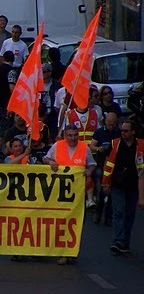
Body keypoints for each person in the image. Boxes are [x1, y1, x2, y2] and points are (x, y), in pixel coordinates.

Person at [43, 124, 96, 264]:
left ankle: (70, 250)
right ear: (65, 136)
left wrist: (89, 171)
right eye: (70, 135)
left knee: (75, 223)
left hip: (78, 195)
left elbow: (92, 164)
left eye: (75, 135)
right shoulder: (57, 146)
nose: (73, 138)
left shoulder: (84, 148)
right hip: (59, 194)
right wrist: (51, 162)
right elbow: (45, 158)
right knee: (61, 223)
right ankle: (64, 252)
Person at [101, 120, 143, 255]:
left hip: (133, 186)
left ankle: (125, 243)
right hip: (117, 184)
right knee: (118, 212)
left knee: (130, 215)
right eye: (122, 131)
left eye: (126, 131)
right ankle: (117, 241)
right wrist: (105, 182)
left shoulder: (141, 145)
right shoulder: (115, 144)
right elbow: (108, 165)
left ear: (133, 132)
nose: (123, 133)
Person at [89, 112, 119, 224]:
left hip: (114, 166)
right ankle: (98, 214)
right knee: (100, 190)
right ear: (105, 121)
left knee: (112, 192)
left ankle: (109, 217)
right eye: (109, 124)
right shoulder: (99, 132)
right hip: (101, 165)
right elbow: (92, 146)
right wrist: (98, 149)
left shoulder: (118, 133)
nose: (111, 126)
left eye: (113, 124)